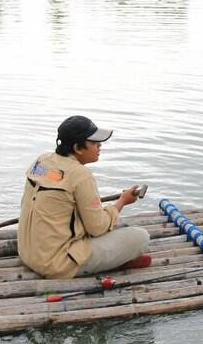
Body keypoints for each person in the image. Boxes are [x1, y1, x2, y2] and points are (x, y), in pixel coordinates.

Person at [17, 115, 151, 279]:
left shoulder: (42, 160)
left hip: (27, 253)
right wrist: (122, 202)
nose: (99, 146)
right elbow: (97, 227)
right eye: (94, 143)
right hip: (55, 264)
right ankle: (113, 262)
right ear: (78, 148)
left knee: (118, 227)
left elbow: (59, 194)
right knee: (141, 237)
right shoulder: (81, 175)